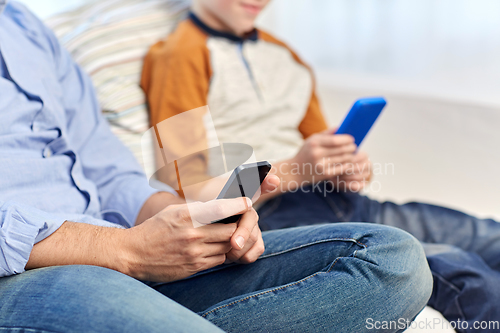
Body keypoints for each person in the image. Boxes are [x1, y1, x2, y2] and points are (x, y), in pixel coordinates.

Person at [0, 1, 432, 332]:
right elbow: (194, 178)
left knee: (396, 258)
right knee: (463, 274)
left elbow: (106, 165)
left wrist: (177, 224)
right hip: (34, 269)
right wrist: (126, 250)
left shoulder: (27, 29)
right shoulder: (178, 55)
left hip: (322, 204)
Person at [141, 0, 500, 330]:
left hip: (338, 200)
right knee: (465, 273)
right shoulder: (177, 57)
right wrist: (296, 169)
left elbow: (320, 146)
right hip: (277, 216)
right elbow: (195, 196)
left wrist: (346, 167)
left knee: (488, 235)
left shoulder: (285, 55)